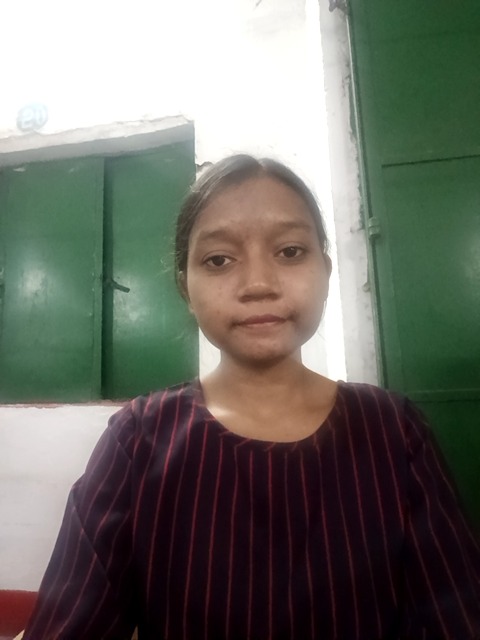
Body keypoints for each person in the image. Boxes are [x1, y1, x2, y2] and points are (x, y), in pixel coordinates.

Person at [24, 155, 480, 639]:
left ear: (325, 271)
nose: (258, 284)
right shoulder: (140, 439)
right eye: (219, 260)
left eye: (290, 251)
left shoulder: (393, 431)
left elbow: (454, 617)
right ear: (185, 286)